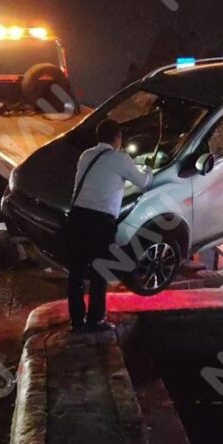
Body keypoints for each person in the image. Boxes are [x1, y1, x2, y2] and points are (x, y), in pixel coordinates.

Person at [66, 119, 153, 333]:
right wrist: (149, 168)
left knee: (76, 272)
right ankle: (95, 320)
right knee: (99, 271)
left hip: (78, 217)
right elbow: (143, 182)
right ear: (118, 138)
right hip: (100, 222)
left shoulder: (86, 155)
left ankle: (77, 321)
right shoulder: (121, 159)